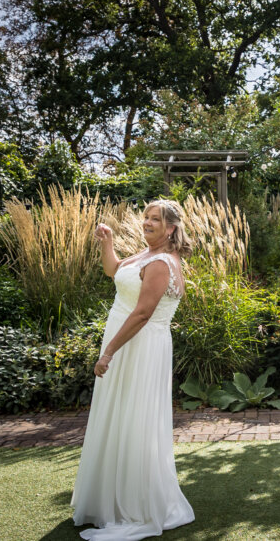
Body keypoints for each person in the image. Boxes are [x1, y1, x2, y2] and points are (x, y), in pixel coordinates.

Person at [72, 199, 195, 540]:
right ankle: (109, 499)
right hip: (125, 343)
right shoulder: (143, 255)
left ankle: (136, 503)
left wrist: (108, 352)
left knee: (135, 418)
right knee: (119, 415)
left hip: (140, 348)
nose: (147, 223)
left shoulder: (161, 263)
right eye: (145, 217)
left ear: (171, 227)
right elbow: (114, 270)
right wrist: (107, 243)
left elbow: (142, 314)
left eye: (154, 219)